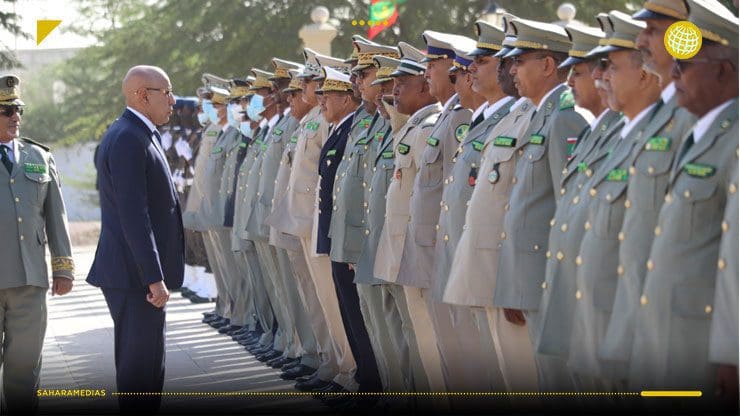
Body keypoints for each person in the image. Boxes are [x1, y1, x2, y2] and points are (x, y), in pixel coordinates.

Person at [629, 0, 738, 410]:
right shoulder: (697, 127)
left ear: (723, 71)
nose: (674, 76)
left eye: (685, 65)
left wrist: (733, 352)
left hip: (702, 342)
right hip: (668, 332)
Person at [87, 65, 184, 414]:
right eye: (167, 92)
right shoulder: (128, 136)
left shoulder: (137, 132)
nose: (173, 101)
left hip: (133, 274)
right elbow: (133, 215)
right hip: (134, 277)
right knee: (140, 370)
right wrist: (153, 277)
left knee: (145, 367)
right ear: (142, 95)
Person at [0, 74, 74, 413]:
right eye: (6, 111)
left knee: (24, 369)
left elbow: (56, 216)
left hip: (30, 282)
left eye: (18, 109)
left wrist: (64, 269)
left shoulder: (39, 157)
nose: (16, 117)